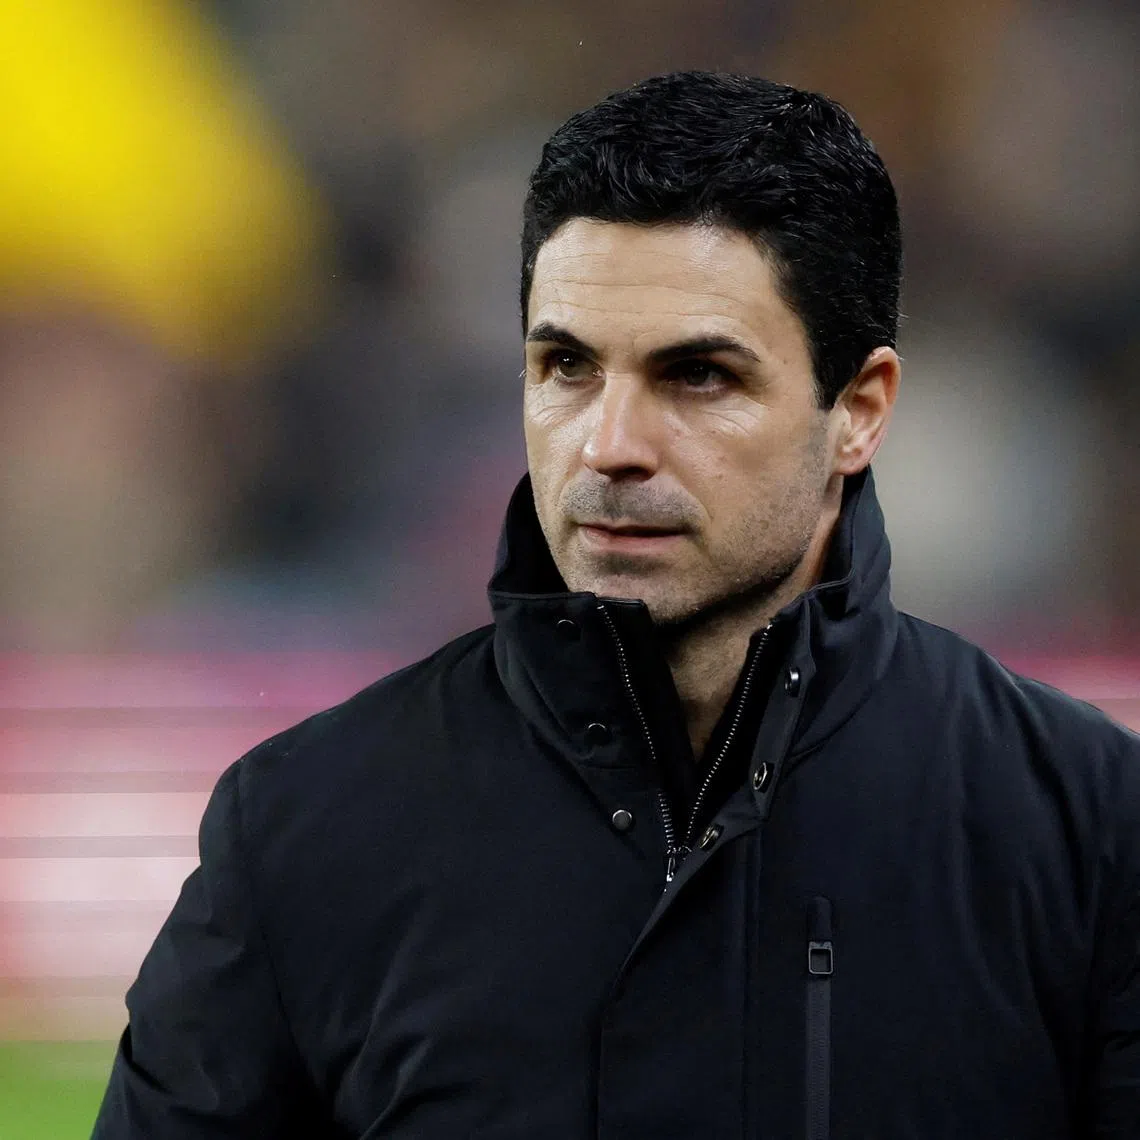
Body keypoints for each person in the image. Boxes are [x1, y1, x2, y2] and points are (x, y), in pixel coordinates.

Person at [92, 71, 1140, 1139]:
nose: (609, 445)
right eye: (567, 367)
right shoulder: (301, 828)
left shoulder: (1086, 827)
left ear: (858, 412)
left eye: (698, 376)